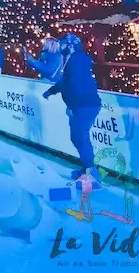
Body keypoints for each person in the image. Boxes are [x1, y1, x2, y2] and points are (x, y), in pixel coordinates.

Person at [42, 34, 102, 181]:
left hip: (83, 105)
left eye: (63, 45)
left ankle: (92, 173)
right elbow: (66, 81)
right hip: (83, 104)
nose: (60, 48)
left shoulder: (76, 61)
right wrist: (52, 91)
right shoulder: (73, 60)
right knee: (77, 137)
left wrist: (71, 105)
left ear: (70, 46)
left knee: (81, 137)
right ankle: (87, 167)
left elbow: (73, 85)